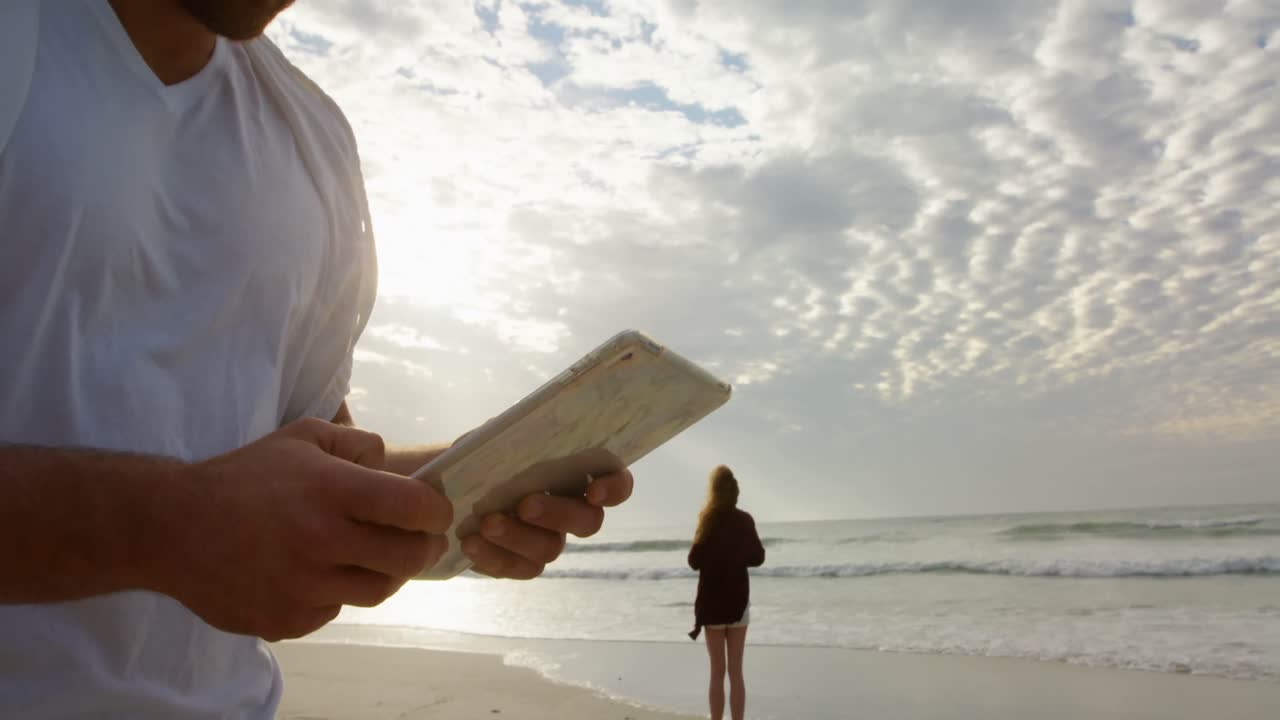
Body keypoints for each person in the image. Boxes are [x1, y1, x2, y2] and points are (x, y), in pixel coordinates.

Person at [0, 1, 633, 717]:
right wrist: (162, 525)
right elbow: (204, 514)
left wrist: (470, 481)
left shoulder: (311, 140)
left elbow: (314, 471)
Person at [687, 465, 765, 720]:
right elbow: (758, 557)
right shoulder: (744, 520)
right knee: (736, 672)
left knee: (717, 672)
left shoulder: (707, 520)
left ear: (714, 491)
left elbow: (694, 561)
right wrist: (736, 556)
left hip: (712, 605)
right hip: (737, 603)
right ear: (735, 492)